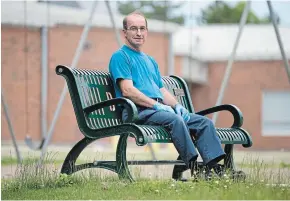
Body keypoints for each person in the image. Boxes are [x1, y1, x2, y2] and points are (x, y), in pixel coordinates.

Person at [108, 10, 226, 179]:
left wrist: (177, 105)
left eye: (142, 28)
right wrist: (156, 105)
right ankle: (195, 168)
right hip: (137, 111)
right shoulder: (120, 57)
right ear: (124, 32)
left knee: (203, 123)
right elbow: (127, 90)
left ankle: (213, 169)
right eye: (134, 28)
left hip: (157, 111)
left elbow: (162, 91)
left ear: (147, 32)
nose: (139, 33)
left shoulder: (150, 60)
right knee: (175, 120)